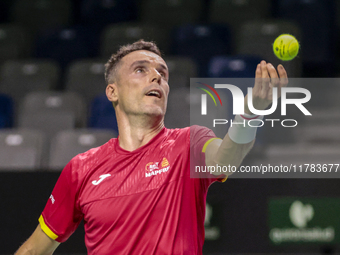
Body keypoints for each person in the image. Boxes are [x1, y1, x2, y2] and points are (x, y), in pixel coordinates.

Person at [15, 40, 288, 255]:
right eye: (140, 70)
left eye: (162, 73)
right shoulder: (80, 169)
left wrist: (250, 114)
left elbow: (225, 160)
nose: (156, 77)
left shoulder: (189, 143)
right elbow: (34, 249)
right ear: (113, 92)